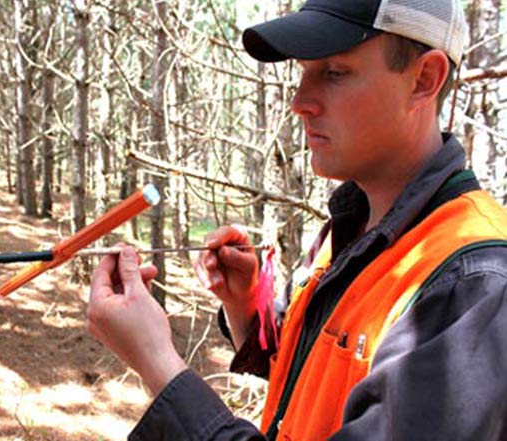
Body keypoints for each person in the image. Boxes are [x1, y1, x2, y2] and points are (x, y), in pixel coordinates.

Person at [86, 0, 507, 439]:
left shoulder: (474, 284)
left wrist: (160, 366)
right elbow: (316, 377)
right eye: (304, 72)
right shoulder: (354, 228)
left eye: (334, 72)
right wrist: (246, 308)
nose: (299, 102)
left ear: (424, 79)